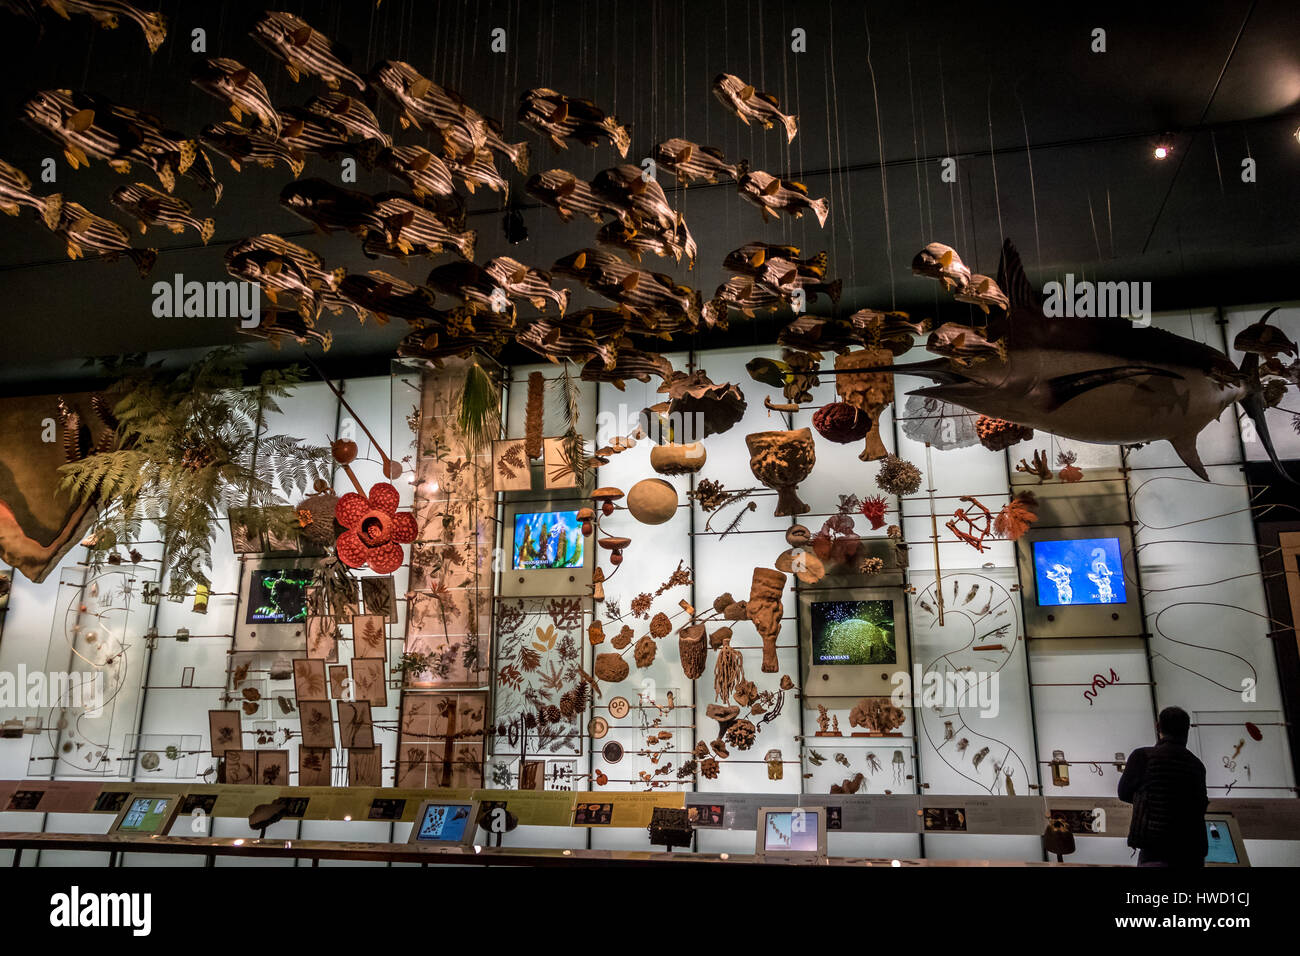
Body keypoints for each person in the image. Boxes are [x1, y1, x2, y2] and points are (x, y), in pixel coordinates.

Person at [1117, 706, 1209, 867]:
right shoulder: (1196, 764)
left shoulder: (1143, 756)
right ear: (1187, 730)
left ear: (1158, 727)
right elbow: (1200, 804)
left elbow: (1124, 793)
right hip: (1191, 853)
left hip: (1155, 850)